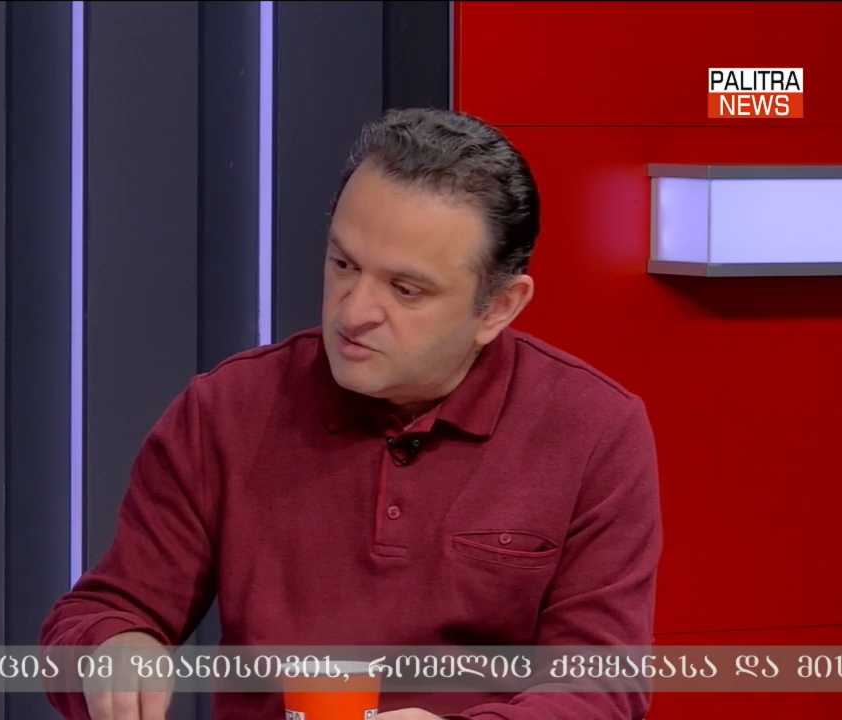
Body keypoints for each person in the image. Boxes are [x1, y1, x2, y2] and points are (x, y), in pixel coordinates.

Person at [41, 108, 662, 720]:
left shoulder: (594, 430)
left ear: (498, 307)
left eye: (405, 289)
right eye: (343, 265)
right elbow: (100, 615)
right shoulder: (228, 410)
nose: (353, 311)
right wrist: (114, 648)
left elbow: (602, 684)